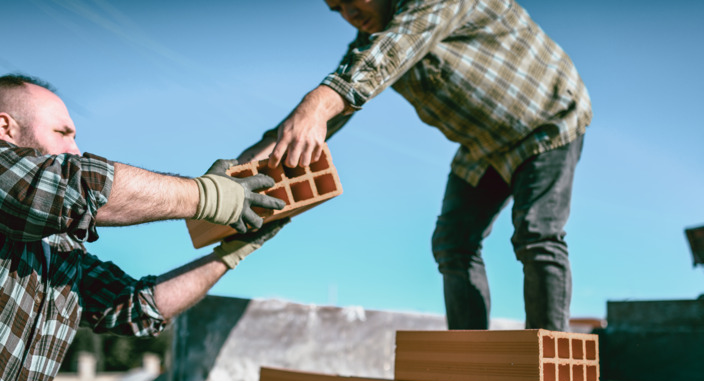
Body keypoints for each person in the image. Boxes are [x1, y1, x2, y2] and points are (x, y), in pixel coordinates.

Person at [238, 0, 592, 331]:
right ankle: (471, 362)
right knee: (453, 242)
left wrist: (318, 102)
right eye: (337, 9)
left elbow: (393, 48)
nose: (348, 14)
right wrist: (241, 169)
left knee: (536, 233)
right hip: (483, 146)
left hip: (549, 120)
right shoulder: (370, 42)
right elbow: (330, 111)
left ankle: (549, 368)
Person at [0, 74, 287, 381]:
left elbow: (138, 307)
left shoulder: (58, 251)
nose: (75, 149)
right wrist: (210, 196)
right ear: (5, 127)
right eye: (62, 133)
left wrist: (229, 255)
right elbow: (73, 189)